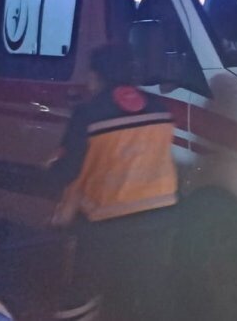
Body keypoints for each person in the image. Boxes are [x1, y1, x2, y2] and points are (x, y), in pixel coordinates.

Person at [49, 44, 178, 321]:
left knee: (82, 295)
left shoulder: (88, 113)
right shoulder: (159, 108)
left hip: (105, 222)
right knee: (145, 294)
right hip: (159, 217)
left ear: (97, 76)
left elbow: (69, 170)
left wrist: (51, 171)